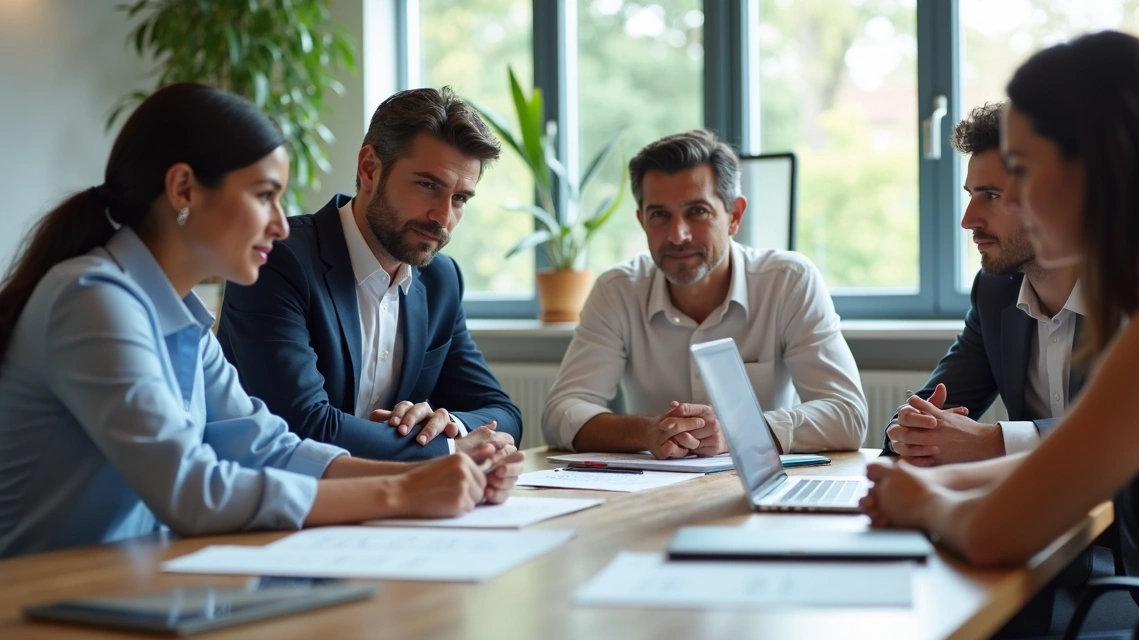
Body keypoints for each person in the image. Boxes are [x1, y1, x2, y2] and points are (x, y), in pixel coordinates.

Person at [0, 83, 522, 559]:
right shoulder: (91, 298)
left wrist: (448, 472)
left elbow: (268, 447)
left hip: (132, 583)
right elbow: (193, 490)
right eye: (263, 195)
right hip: (38, 598)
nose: (278, 223)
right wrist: (403, 490)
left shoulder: (179, 318)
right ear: (183, 190)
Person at [861, 31, 1139, 639]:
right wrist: (921, 478)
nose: (1005, 205)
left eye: (1021, 170)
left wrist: (920, 501)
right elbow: (1073, 458)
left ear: (1101, 168)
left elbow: (998, 533)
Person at [218, 87, 522, 462]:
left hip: (389, 506)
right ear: (370, 169)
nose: (443, 217)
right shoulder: (277, 259)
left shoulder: (441, 280)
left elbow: (502, 412)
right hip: (274, 501)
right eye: (428, 186)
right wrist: (447, 448)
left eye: (460, 199)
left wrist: (449, 423)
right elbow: (302, 424)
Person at [542, 129, 866, 458]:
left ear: (734, 216)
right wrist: (651, 430)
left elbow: (848, 416)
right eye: (659, 215)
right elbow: (560, 414)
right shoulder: (618, 291)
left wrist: (738, 431)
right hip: (651, 491)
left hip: (763, 486)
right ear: (642, 221)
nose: (678, 234)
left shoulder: (790, 281)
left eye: (697, 211)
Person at [884, 101, 1085, 467]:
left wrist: (995, 441)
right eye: (970, 195)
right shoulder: (995, 292)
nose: (967, 220)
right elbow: (926, 409)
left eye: (990, 196)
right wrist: (911, 429)